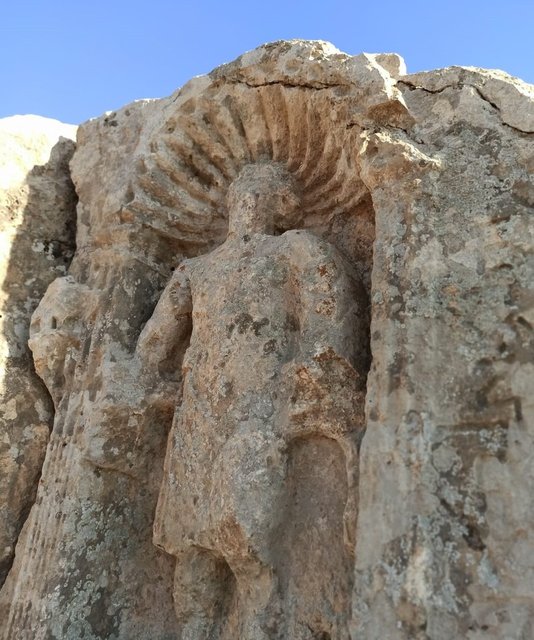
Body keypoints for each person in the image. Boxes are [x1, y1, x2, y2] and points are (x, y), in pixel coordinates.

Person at [137, 162, 368, 639]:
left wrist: (308, 379)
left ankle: (264, 625)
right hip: (198, 424)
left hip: (260, 417)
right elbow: (152, 349)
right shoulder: (194, 271)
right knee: (193, 556)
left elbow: (330, 317)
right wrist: (160, 393)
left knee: (250, 547)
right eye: (279, 192)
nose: (287, 204)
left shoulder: (297, 248)